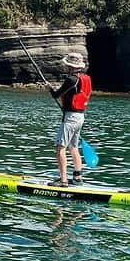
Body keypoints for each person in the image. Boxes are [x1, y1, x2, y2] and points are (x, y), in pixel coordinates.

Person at [49, 52, 92, 187]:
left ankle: (63, 181)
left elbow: (56, 94)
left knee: (60, 148)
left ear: (70, 66)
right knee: (73, 147)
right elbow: (73, 94)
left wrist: (50, 89)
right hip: (80, 116)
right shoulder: (86, 78)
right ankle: (77, 178)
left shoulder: (70, 80)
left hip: (70, 118)